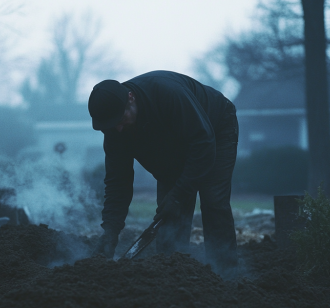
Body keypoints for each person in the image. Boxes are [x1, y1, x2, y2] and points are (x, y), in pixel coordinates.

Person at [88, 70, 239, 270]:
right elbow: (118, 182)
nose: (118, 129)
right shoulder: (116, 128)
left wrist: (178, 194)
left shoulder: (168, 93)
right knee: (169, 215)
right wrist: (110, 232)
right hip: (174, 145)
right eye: (112, 125)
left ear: (131, 98)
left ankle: (225, 273)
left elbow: (203, 144)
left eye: (120, 119)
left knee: (213, 200)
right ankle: (171, 275)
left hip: (214, 129)